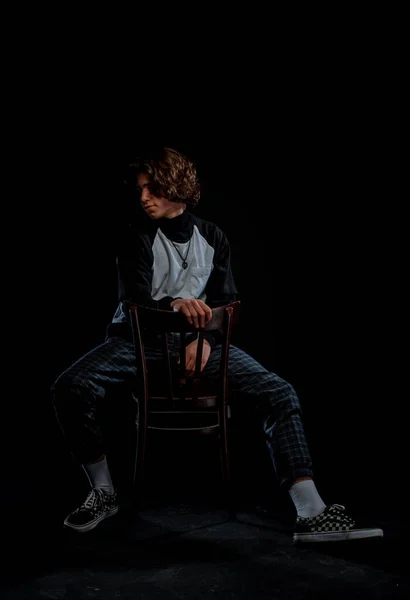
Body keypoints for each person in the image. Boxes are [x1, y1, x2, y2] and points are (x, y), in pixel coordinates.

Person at [51, 147, 383, 543]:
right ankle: (103, 491)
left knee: (279, 392)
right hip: (138, 344)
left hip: (200, 348)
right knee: (69, 387)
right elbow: (135, 299)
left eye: (153, 188)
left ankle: (311, 512)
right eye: (141, 190)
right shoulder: (134, 236)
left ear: (177, 187)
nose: (144, 197)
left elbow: (227, 302)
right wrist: (175, 303)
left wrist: (204, 340)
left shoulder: (212, 236)